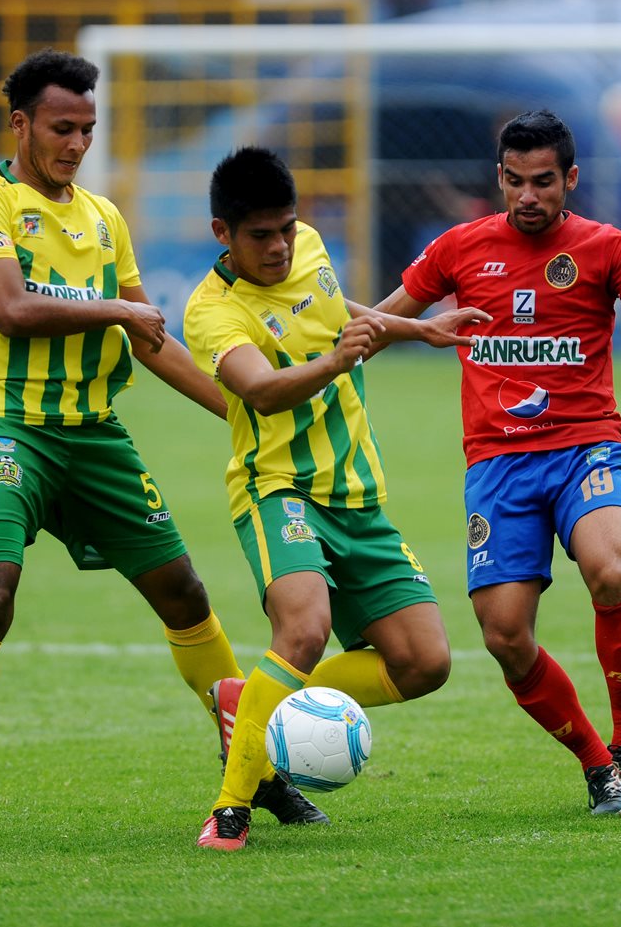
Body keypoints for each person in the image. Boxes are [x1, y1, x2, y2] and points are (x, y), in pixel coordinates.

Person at [0, 51, 320, 849]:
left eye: (88, 129)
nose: (76, 143)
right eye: (62, 127)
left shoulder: (104, 218)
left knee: (185, 593)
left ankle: (256, 770)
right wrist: (115, 311)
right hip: (7, 427)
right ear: (21, 122)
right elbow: (10, 308)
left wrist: (239, 410)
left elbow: (152, 339)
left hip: (94, 435)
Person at [374, 110, 621, 816]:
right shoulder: (460, 248)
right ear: (498, 177)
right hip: (499, 465)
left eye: (542, 182)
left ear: (570, 178)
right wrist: (338, 324)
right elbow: (380, 322)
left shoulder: (606, 247)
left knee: (610, 568)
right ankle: (598, 764)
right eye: (513, 181)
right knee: (505, 635)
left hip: (584, 447)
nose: (527, 196)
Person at [183, 146, 490, 850]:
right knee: (303, 628)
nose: (279, 246)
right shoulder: (212, 311)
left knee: (424, 662)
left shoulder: (310, 250)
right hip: (277, 490)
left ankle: (253, 698)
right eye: (260, 235)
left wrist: (417, 327)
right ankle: (232, 807)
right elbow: (259, 388)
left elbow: (331, 311)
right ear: (222, 234)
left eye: (287, 228)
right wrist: (339, 358)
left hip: (355, 495)